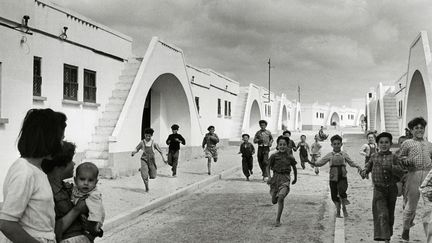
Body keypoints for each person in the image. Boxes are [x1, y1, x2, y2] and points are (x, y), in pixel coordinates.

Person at [0, 109, 66, 243]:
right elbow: (7, 223)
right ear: (49, 140)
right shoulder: (24, 171)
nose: (61, 144)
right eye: (60, 139)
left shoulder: (35, 169)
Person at [42, 141, 91, 243]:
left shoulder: (68, 187)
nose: (74, 163)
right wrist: (77, 209)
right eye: (71, 160)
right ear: (60, 165)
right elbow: (53, 231)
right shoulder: (46, 192)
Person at [360, 132, 404, 242]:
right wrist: (364, 172)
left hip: (391, 190)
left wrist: (392, 168)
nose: (384, 145)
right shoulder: (374, 156)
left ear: (390, 144)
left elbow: (401, 172)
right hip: (378, 190)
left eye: (386, 142)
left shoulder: (394, 157)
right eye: (381, 142)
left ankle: (387, 235)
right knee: (382, 214)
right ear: (378, 144)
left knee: (390, 214)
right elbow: (367, 167)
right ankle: (385, 238)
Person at [398, 117, 432, 241]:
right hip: (414, 175)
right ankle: (406, 228)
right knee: (411, 205)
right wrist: (407, 161)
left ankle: (429, 237)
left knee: (429, 206)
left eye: (421, 128)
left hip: (428, 176)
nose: (419, 130)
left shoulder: (429, 144)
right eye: (416, 128)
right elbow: (400, 158)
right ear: (411, 130)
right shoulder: (407, 143)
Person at [311, 135, 362, 218]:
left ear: (341, 144)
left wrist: (358, 166)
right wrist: (311, 162)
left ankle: (342, 209)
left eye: (338, 143)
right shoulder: (329, 155)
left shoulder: (344, 154)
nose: (337, 145)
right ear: (332, 145)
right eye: (334, 144)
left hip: (342, 176)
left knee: (342, 192)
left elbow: (351, 162)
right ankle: (339, 208)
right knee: (334, 196)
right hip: (333, 177)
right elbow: (320, 163)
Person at [267, 136, 297, 227]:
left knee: (281, 197)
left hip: (285, 179)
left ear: (288, 146)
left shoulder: (290, 157)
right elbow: (267, 167)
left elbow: (294, 168)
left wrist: (295, 178)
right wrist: (269, 177)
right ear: (277, 145)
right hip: (275, 179)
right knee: (274, 200)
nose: (282, 146)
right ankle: (274, 195)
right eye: (280, 144)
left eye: (284, 144)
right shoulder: (273, 156)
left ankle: (278, 220)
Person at [71, 162, 105, 241]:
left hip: (92, 222)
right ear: (75, 180)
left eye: (90, 180)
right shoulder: (76, 189)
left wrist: (94, 226)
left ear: (96, 182)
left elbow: (96, 211)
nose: (86, 183)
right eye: (82, 179)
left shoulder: (93, 195)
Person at [131, 128, 167, 192]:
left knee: (153, 175)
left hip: (152, 160)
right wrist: (134, 152)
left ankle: (143, 169)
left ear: (151, 136)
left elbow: (160, 151)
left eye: (149, 136)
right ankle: (146, 187)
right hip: (144, 159)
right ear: (144, 135)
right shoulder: (142, 142)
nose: (147, 137)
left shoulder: (154, 143)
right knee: (144, 175)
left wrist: (164, 159)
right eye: (146, 135)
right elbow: (137, 148)